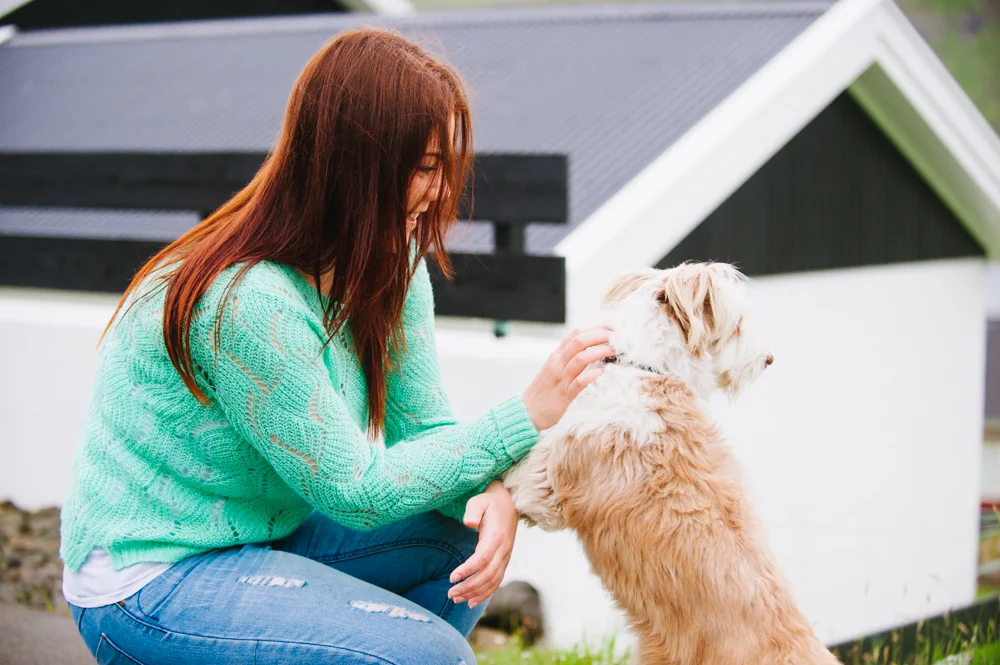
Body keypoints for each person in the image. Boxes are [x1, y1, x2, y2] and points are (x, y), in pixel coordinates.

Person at [59, 28, 613, 665]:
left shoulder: (391, 259)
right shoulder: (248, 301)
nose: (440, 191)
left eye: (443, 166)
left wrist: (496, 496)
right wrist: (528, 415)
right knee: (429, 657)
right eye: (425, 167)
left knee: (460, 538)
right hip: (148, 579)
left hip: (264, 533)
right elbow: (357, 490)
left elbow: (426, 432)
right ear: (359, 165)